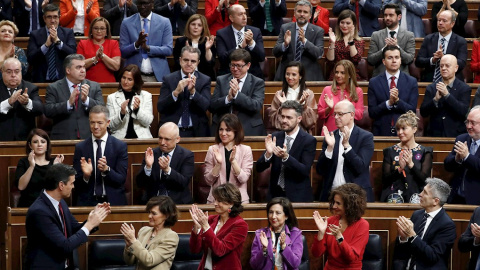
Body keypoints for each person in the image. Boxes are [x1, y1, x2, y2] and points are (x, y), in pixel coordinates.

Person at [24, 163, 111, 269]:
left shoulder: (61, 203)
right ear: (61, 185)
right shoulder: (39, 212)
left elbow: (74, 229)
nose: (73, 187)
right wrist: (89, 225)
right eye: (72, 183)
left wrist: (94, 218)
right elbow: (65, 246)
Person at [257, 101, 317, 202]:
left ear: (299, 119)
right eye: (283, 116)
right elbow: (259, 167)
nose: (284, 120)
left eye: (289, 117)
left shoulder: (308, 140)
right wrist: (268, 154)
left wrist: (286, 157)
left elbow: (304, 170)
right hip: (275, 196)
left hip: (298, 197)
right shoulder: (276, 137)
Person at [316, 100, 374, 202]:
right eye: (335, 114)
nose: (336, 117)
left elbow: (360, 167)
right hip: (331, 195)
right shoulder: (331, 136)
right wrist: (329, 149)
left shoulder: (365, 137)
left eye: (340, 114)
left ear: (352, 115)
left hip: (356, 197)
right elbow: (320, 170)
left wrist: (347, 146)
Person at [393, 178, 456, 270]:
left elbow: (432, 256)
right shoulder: (417, 215)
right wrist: (403, 238)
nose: (420, 194)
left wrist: (412, 235)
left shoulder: (447, 225)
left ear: (436, 201)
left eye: (425, 193)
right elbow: (405, 251)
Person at [73, 105, 128, 206]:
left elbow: (121, 180)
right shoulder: (81, 147)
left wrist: (107, 170)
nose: (95, 127)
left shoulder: (119, 146)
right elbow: (75, 183)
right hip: (88, 202)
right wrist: (86, 175)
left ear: (108, 123)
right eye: (92, 122)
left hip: (112, 202)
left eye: (100, 123)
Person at [44, 54, 104, 140]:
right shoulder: (54, 88)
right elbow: (48, 111)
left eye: (84, 67)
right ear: (68, 70)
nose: (83, 70)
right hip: (63, 138)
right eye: (78, 67)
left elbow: (102, 109)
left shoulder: (94, 86)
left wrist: (86, 100)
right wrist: (68, 103)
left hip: (88, 137)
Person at [189, 183, 248, 270]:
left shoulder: (240, 225)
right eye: (215, 199)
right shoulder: (210, 220)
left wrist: (205, 227)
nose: (215, 203)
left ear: (231, 203)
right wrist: (197, 228)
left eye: (219, 200)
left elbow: (220, 250)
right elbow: (195, 250)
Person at [311, 183, 369, 269]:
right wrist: (321, 233)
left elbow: (351, 258)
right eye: (334, 202)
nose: (334, 206)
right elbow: (316, 254)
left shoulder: (362, 225)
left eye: (338, 203)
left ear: (350, 205)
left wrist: (339, 238)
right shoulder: (331, 221)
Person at [210, 49, 266, 136]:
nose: (235, 69)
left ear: (248, 65)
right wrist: (227, 98)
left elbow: (256, 106)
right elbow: (212, 106)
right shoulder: (221, 80)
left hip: (248, 128)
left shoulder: (257, 82)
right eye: (232, 65)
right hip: (223, 129)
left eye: (239, 66)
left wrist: (237, 95)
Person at [159, 46, 211, 137]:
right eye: (186, 60)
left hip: (196, 131)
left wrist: (193, 92)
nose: (189, 63)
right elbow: (160, 107)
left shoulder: (204, 80)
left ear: (198, 63)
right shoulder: (169, 79)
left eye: (193, 61)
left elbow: (206, 106)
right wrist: (175, 92)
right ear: (180, 60)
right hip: (172, 132)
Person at [381, 111, 433, 203]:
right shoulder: (389, 151)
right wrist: (399, 170)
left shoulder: (425, 152)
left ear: (414, 129)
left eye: (404, 128)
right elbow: (385, 180)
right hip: (394, 196)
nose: (400, 132)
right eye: (398, 129)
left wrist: (411, 165)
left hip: (417, 195)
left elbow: (425, 180)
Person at [136, 122, 194, 205]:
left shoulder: (186, 155)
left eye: (167, 139)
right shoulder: (151, 153)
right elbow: (140, 183)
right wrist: (148, 167)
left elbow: (184, 182)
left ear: (177, 139)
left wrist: (168, 170)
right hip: (153, 202)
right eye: (160, 138)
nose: (162, 142)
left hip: (177, 203)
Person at [368, 45, 418, 136]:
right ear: (384, 61)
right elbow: (372, 112)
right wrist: (388, 103)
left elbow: (412, 111)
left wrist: (398, 101)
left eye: (397, 57)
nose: (394, 61)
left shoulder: (411, 82)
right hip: (381, 132)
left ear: (400, 60)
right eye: (390, 58)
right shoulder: (374, 82)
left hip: (404, 133)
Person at [120, 0, 173, 82]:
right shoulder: (126, 23)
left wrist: (148, 48)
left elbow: (168, 49)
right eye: (140, 3)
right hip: (134, 77)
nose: (142, 6)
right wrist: (136, 44)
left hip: (157, 76)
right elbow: (123, 51)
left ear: (152, 4)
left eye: (145, 3)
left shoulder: (164, 22)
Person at [204, 114, 253, 204]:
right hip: (216, 200)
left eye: (228, 130)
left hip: (238, 200)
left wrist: (233, 162)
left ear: (236, 131)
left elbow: (243, 178)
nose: (223, 133)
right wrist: (218, 164)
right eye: (221, 129)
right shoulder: (212, 149)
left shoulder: (246, 150)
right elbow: (208, 180)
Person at [122, 196, 180, 270]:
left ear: (166, 215)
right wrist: (128, 245)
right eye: (149, 212)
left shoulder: (171, 237)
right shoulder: (143, 231)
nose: (149, 216)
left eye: (154, 213)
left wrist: (133, 241)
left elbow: (150, 260)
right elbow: (129, 262)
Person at [420, 54, 471, 137]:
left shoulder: (464, 88)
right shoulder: (432, 87)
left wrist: (447, 95)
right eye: (441, 66)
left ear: (456, 68)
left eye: (447, 66)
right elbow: (423, 112)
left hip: (456, 135)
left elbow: (463, 112)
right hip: (434, 134)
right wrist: (435, 100)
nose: (443, 68)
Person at [273, 0, 324, 82]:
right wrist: (285, 44)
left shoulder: (318, 31)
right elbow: (275, 53)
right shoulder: (285, 28)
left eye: (305, 12)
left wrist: (305, 41)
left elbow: (319, 54)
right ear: (294, 13)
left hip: (309, 74)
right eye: (299, 11)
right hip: (286, 74)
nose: (302, 14)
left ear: (310, 15)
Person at [27, 4, 77, 83]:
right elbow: (31, 58)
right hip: (41, 80)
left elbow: (73, 54)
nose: (52, 20)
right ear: (44, 18)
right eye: (49, 17)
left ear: (59, 17)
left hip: (63, 80)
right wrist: (46, 46)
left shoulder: (68, 33)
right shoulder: (35, 35)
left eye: (55, 17)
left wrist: (58, 42)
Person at [250, 197, 303, 270]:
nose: (273, 216)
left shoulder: (295, 234)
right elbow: (254, 265)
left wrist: (284, 247)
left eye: (278, 213)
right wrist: (264, 249)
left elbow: (295, 264)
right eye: (271, 212)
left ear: (286, 216)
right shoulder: (260, 234)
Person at [15, 128, 64, 207]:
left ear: (47, 145)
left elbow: (60, 189)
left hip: (49, 205)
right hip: (28, 206)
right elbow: (21, 186)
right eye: (35, 142)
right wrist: (31, 166)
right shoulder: (23, 162)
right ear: (30, 145)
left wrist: (55, 169)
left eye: (43, 141)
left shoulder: (54, 162)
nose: (39, 144)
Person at [415, 10, 467, 82]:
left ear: (452, 23)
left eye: (444, 21)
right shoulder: (428, 39)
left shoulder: (460, 41)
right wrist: (432, 60)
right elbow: (418, 61)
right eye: (439, 20)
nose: (440, 23)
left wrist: (444, 58)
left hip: (453, 82)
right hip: (430, 81)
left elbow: (461, 63)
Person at [216, 4, 265, 79]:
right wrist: (240, 46)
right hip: (229, 75)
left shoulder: (255, 31)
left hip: (252, 75)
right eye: (240, 14)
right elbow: (222, 58)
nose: (244, 17)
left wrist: (251, 43)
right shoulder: (222, 34)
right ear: (231, 18)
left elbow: (261, 57)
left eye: (245, 14)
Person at [0, 57, 43, 141]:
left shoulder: (30, 88)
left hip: (25, 140)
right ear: (2, 72)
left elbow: (40, 109)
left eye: (17, 71)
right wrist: (8, 103)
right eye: (9, 72)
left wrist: (27, 103)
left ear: (21, 72)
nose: (13, 75)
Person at [367, 3, 416, 77]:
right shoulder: (376, 35)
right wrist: (384, 49)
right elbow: (370, 60)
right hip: (380, 77)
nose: (387, 18)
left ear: (399, 17)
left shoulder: (409, 35)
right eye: (385, 15)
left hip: (401, 77)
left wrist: (397, 47)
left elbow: (409, 59)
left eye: (391, 15)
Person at [106, 64, 153, 139]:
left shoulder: (146, 96)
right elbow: (110, 125)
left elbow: (148, 122)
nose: (125, 82)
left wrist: (137, 110)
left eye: (129, 79)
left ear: (136, 81)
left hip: (142, 138)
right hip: (119, 139)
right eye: (123, 78)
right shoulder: (111, 98)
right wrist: (121, 114)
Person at [444, 106, 480, 205]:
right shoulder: (461, 138)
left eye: (473, 123)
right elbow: (447, 165)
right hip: (457, 197)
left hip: (477, 200)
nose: (468, 126)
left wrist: (467, 156)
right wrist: (457, 159)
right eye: (467, 122)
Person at [317, 59, 363, 136]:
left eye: (342, 73)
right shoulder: (327, 90)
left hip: (348, 133)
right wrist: (329, 108)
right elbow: (320, 114)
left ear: (350, 75)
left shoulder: (358, 91)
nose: (338, 75)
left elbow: (359, 115)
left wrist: (348, 106)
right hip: (330, 133)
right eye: (336, 72)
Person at [270, 61, 317, 134]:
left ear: (300, 76)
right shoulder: (279, 94)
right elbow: (273, 120)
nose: (290, 77)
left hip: (302, 134)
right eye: (287, 74)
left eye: (294, 74)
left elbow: (311, 122)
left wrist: (303, 106)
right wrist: (283, 106)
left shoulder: (308, 94)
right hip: (282, 133)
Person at [172, 14, 216, 81]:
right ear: (188, 26)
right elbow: (177, 62)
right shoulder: (181, 41)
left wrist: (207, 49)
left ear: (203, 28)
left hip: (204, 77)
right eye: (193, 24)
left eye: (199, 25)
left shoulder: (207, 41)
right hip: (184, 77)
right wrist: (186, 53)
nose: (196, 27)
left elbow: (210, 64)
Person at [77, 17, 121, 83]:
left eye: (102, 28)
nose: (99, 31)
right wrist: (95, 58)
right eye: (96, 28)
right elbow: (78, 65)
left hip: (109, 84)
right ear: (91, 30)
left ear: (107, 31)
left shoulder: (113, 43)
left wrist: (102, 56)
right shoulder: (82, 43)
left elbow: (116, 66)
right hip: (87, 84)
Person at [326, 10, 364, 81]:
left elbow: (356, 59)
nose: (344, 26)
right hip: (336, 74)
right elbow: (330, 61)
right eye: (342, 22)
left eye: (348, 23)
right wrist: (332, 43)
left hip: (352, 75)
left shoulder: (359, 41)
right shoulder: (334, 39)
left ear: (354, 24)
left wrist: (351, 41)